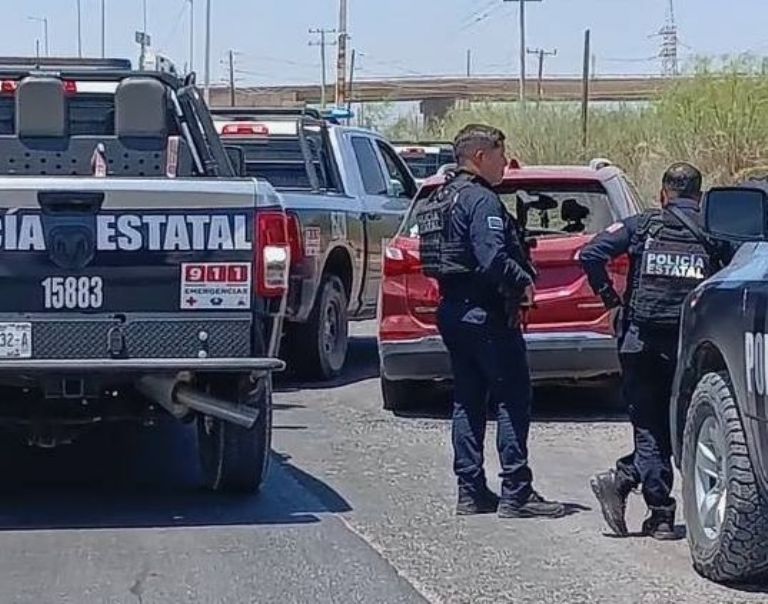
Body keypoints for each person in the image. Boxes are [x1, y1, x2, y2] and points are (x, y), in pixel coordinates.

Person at [416, 123, 566, 518]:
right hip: (486, 314)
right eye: (500, 155)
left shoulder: (440, 197)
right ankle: (517, 492)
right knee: (512, 399)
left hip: (453, 311)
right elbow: (492, 258)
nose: (506, 163)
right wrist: (524, 283)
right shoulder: (480, 200)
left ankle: (470, 492)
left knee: (467, 400)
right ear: (480, 157)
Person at [580, 162, 719, 539]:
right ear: (700, 196)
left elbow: (590, 254)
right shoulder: (712, 232)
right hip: (689, 348)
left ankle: (635, 489)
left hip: (640, 342)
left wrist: (610, 301)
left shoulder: (642, 226)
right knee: (674, 428)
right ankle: (655, 510)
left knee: (650, 428)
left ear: (662, 194)